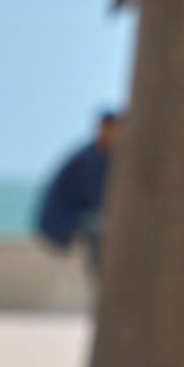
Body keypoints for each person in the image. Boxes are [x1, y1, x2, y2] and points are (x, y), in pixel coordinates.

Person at [35, 106, 123, 270]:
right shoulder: (90, 160)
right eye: (111, 129)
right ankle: (102, 275)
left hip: (76, 216)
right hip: (61, 221)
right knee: (100, 227)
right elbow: (98, 199)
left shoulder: (103, 157)